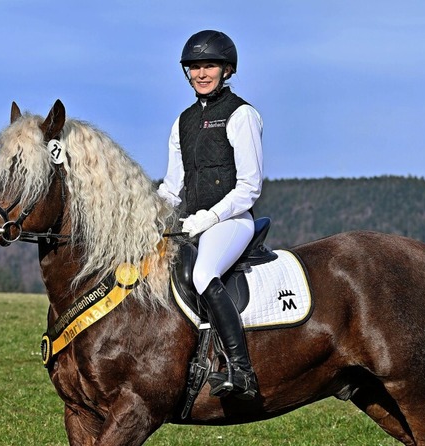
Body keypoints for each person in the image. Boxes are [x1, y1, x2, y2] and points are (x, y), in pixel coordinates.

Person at [158, 30, 263, 400]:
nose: (201, 73)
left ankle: (241, 369)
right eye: (195, 67)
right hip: (191, 223)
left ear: (227, 70)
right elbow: (173, 187)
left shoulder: (242, 115)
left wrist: (211, 217)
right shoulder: (182, 122)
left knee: (204, 273)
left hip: (232, 222)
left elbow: (250, 186)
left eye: (210, 66)